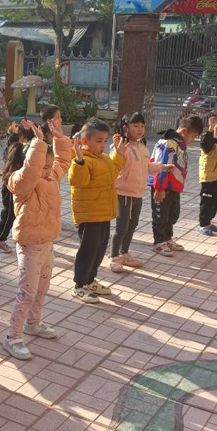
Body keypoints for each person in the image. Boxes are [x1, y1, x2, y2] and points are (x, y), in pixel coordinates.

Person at [2, 119, 71, 360]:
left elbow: (64, 162)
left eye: (48, 166)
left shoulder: (50, 177)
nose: (48, 170)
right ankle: (12, 336)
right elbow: (31, 171)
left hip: (47, 243)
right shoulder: (19, 182)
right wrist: (39, 144)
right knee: (27, 292)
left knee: (42, 288)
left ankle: (33, 323)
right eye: (43, 166)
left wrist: (59, 139)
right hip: (30, 245)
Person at [68, 117, 127, 304]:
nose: (103, 145)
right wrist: (78, 160)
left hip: (103, 213)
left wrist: (119, 154)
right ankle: (79, 285)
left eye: (105, 141)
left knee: (99, 249)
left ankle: (90, 281)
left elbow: (113, 172)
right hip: (89, 215)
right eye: (99, 141)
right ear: (84, 141)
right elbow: (78, 181)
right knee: (88, 250)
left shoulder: (104, 159)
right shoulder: (82, 160)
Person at [108, 112, 172, 273]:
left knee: (132, 225)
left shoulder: (142, 147)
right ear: (126, 127)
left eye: (142, 126)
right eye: (135, 125)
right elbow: (113, 164)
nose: (140, 129)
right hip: (123, 192)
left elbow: (147, 167)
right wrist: (118, 151)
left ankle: (124, 253)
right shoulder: (120, 146)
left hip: (137, 193)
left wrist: (163, 167)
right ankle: (114, 257)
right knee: (122, 227)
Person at [148, 115, 204, 257]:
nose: (193, 140)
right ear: (184, 131)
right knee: (161, 216)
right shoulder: (168, 143)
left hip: (174, 187)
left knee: (173, 214)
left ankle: (167, 238)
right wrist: (159, 188)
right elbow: (161, 165)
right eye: (193, 136)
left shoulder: (180, 143)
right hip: (163, 186)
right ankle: (158, 242)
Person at [0, 122, 32, 254]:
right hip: (9, 189)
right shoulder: (17, 154)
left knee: (18, 214)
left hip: (16, 188)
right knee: (9, 214)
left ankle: (20, 237)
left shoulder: (16, 150)